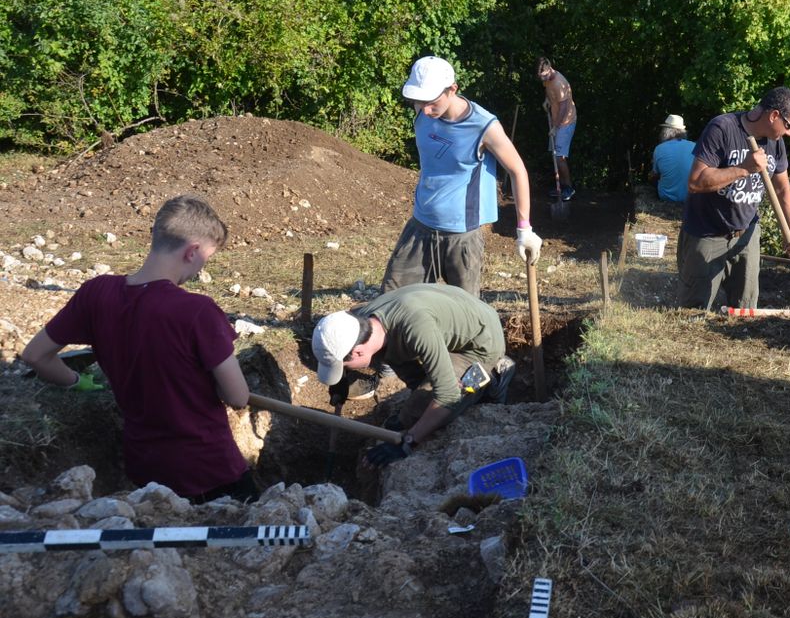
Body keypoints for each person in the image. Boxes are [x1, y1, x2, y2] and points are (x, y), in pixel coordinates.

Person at [21, 195, 258, 503]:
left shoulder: (97, 293)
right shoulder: (197, 311)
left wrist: (76, 382)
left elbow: (35, 355)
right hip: (209, 471)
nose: (199, 270)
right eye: (205, 260)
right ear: (192, 251)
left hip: (145, 469)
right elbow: (238, 397)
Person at [382, 55, 542, 299]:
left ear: (452, 89)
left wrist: (524, 229)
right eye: (418, 101)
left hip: (461, 237)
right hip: (420, 226)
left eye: (432, 102)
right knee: (392, 302)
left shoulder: (483, 126)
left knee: (463, 315)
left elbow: (518, 170)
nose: (424, 109)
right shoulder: (422, 113)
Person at [312, 284, 516, 467]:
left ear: (357, 351)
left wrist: (407, 443)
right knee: (411, 390)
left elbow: (448, 395)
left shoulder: (415, 327)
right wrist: (341, 379)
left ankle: (493, 376)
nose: (343, 370)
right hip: (445, 321)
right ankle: (436, 377)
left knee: (418, 414)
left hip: (480, 340)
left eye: (343, 365)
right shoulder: (361, 319)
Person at [677, 87, 790, 312]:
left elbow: (783, 189)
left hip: (746, 234)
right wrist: (743, 168)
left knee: (745, 312)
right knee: (693, 312)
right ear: (774, 115)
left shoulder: (775, 142)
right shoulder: (722, 128)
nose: (789, 133)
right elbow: (696, 182)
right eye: (789, 126)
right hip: (707, 234)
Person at [537, 57, 577, 201]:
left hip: (566, 122)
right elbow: (548, 90)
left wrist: (555, 127)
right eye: (541, 77)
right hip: (556, 121)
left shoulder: (560, 83)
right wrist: (547, 100)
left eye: (544, 76)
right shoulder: (546, 79)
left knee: (560, 157)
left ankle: (569, 189)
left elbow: (564, 108)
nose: (543, 79)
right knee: (555, 155)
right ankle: (561, 187)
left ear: (550, 69)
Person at [650, 114, 695, 202]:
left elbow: (655, 174)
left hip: (666, 196)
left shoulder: (660, 148)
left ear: (665, 131)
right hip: (689, 197)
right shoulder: (694, 146)